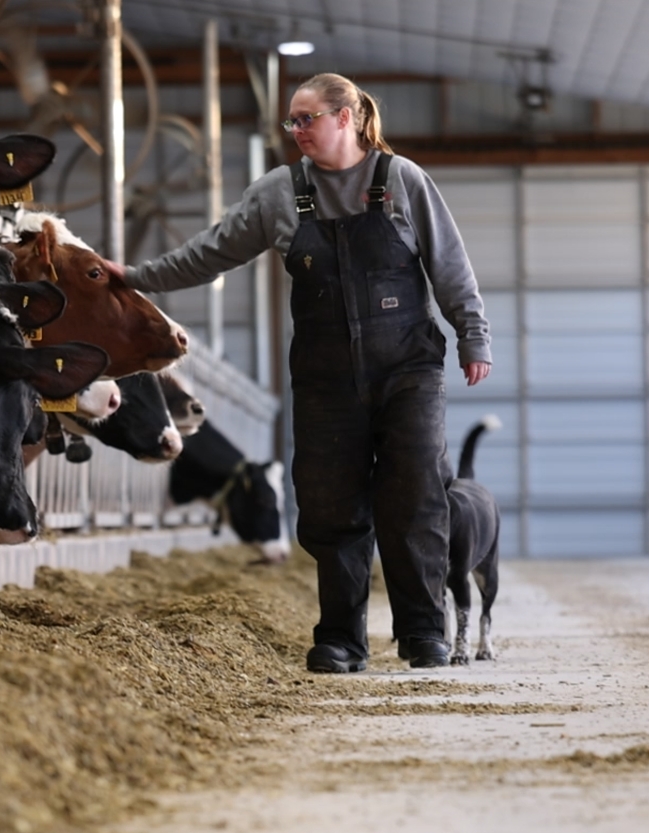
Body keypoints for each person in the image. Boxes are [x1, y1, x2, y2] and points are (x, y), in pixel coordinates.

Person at [108, 72, 491, 672]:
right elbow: (210, 253)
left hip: (408, 370)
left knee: (414, 496)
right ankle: (341, 639)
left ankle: (423, 631)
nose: (296, 131)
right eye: (291, 121)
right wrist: (134, 277)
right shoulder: (280, 193)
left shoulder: (402, 181)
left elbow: (450, 265)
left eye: (306, 118)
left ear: (347, 118)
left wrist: (473, 335)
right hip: (324, 378)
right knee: (328, 505)